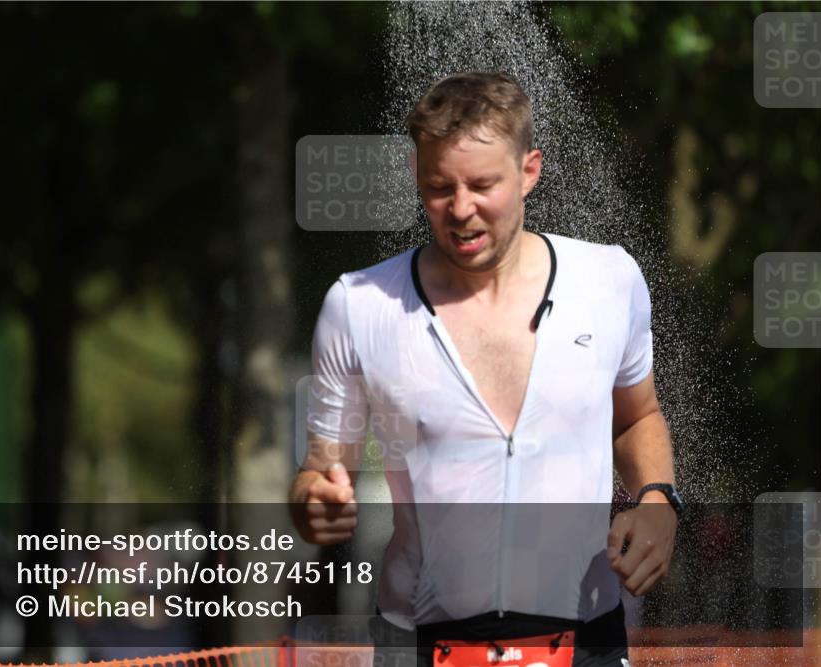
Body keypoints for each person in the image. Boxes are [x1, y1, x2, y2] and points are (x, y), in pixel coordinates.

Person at [288, 72, 680, 667]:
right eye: (438, 187)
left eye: (481, 185)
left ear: (529, 171)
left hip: (587, 640)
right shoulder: (358, 304)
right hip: (418, 642)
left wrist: (657, 499)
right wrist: (316, 501)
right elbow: (322, 473)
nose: (460, 209)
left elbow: (637, 417)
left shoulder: (610, 280)